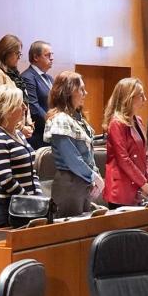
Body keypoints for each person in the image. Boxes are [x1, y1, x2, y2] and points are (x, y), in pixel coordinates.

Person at [45, 70, 99, 218]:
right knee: (70, 233)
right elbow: (72, 159)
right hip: (69, 184)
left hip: (84, 181)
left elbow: (88, 155)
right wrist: (94, 176)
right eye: (81, 89)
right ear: (68, 92)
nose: (85, 93)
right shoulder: (60, 119)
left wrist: (94, 176)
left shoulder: (78, 119)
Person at [0, 84, 41, 206]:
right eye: (20, 104)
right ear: (8, 109)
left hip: (29, 204)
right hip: (12, 208)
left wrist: (38, 195)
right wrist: (29, 200)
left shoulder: (19, 135)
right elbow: (6, 180)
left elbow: (32, 172)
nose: (25, 107)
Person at [101, 78, 148, 206]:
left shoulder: (138, 120)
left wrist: (146, 182)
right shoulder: (116, 123)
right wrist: (143, 183)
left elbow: (145, 155)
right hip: (122, 189)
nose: (145, 99)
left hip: (138, 186)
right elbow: (123, 159)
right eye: (141, 95)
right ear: (128, 98)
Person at [23, 40, 54, 149]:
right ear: (36, 57)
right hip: (38, 135)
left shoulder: (49, 78)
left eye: (52, 55)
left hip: (50, 134)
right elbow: (33, 106)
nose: (52, 58)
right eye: (48, 55)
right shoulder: (28, 77)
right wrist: (52, 122)